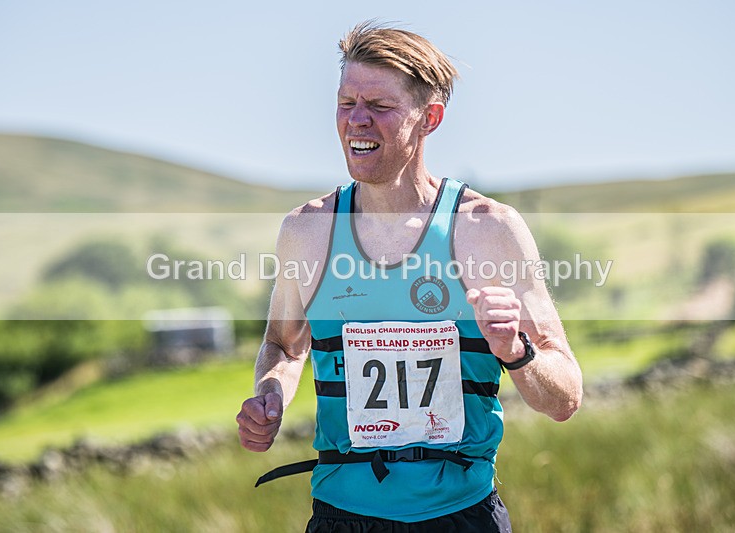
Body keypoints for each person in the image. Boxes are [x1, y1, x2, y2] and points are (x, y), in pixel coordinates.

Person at [237, 21, 583, 532]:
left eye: (379, 107)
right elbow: (286, 348)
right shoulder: (308, 231)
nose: (357, 121)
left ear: (430, 118)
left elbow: (565, 398)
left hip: (462, 517)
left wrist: (516, 351)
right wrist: (269, 396)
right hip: (342, 517)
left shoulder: (487, 230)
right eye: (345, 102)